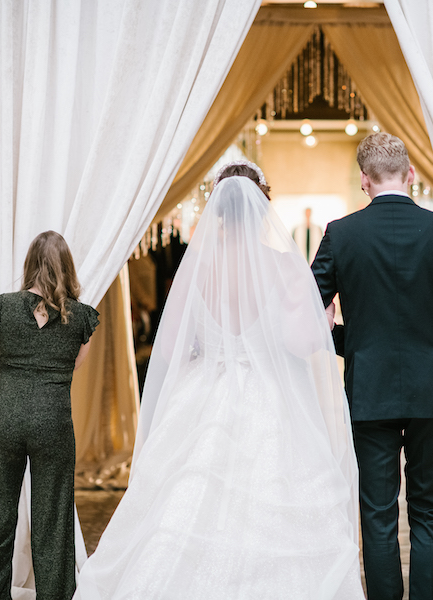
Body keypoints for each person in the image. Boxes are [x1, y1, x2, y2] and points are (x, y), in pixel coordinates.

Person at [74, 162, 364, 599]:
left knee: (185, 498)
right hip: (271, 396)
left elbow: (169, 349)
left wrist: (209, 346)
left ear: (219, 210)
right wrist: (323, 318)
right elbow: (302, 342)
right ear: (263, 205)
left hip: (203, 392)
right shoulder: (284, 265)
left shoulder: (197, 268)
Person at [311, 133, 433, 600]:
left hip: (369, 392)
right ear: (410, 175)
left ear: (364, 181)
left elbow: (308, 311)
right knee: (430, 513)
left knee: (378, 514)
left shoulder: (340, 234)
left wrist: (344, 336)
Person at [0, 230, 99, 600]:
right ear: (67, 268)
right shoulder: (82, 318)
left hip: (4, 419)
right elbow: (71, 366)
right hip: (53, 423)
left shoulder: (0, 307)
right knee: (53, 522)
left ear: (29, 265)